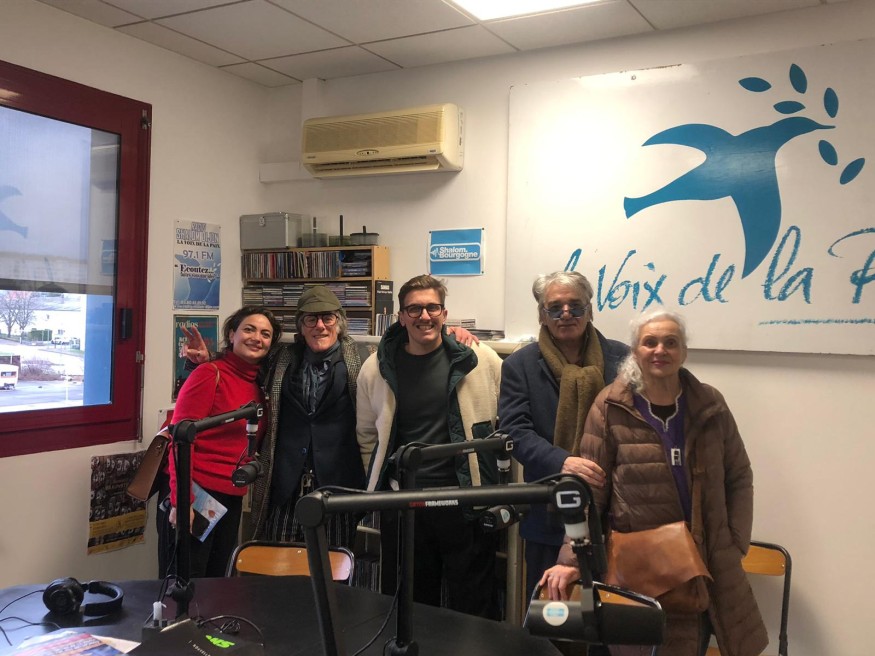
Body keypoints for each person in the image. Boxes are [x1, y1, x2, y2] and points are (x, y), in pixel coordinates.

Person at [180, 288, 478, 553]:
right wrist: (206, 361)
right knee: (277, 571)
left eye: (328, 318)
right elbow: (243, 363)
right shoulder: (280, 358)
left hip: (339, 488)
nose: (320, 326)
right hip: (284, 488)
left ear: (339, 322)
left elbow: (410, 339)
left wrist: (450, 333)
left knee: (334, 570)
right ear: (301, 326)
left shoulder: (365, 360)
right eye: (311, 319)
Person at [539, 309, 767, 656]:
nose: (660, 350)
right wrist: (570, 560)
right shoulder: (610, 406)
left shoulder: (710, 404)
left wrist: (736, 541)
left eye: (671, 342)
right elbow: (589, 492)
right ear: (635, 350)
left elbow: (739, 475)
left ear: (684, 351)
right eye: (650, 342)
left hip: (709, 560)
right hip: (641, 568)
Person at [357, 274, 504, 619]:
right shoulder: (376, 368)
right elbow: (366, 435)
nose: (424, 316)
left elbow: (505, 420)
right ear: (401, 317)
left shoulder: (480, 359)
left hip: (466, 502)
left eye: (432, 308)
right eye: (414, 309)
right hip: (404, 504)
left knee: (473, 605)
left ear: (444, 313)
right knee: (410, 607)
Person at [498, 271, 627, 600]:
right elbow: (514, 430)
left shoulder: (623, 360)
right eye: (555, 307)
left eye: (575, 306)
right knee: (551, 614)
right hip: (549, 511)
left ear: (590, 310)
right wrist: (563, 461)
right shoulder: (520, 365)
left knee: (612, 614)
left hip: (614, 510)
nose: (566, 314)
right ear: (541, 315)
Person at [167, 306, 279, 578]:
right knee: (187, 585)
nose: (257, 338)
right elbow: (180, 440)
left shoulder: (259, 385)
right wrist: (182, 501)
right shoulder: (209, 374)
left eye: (265, 334)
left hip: (231, 497)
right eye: (249, 329)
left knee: (218, 584)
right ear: (231, 334)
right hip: (196, 494)